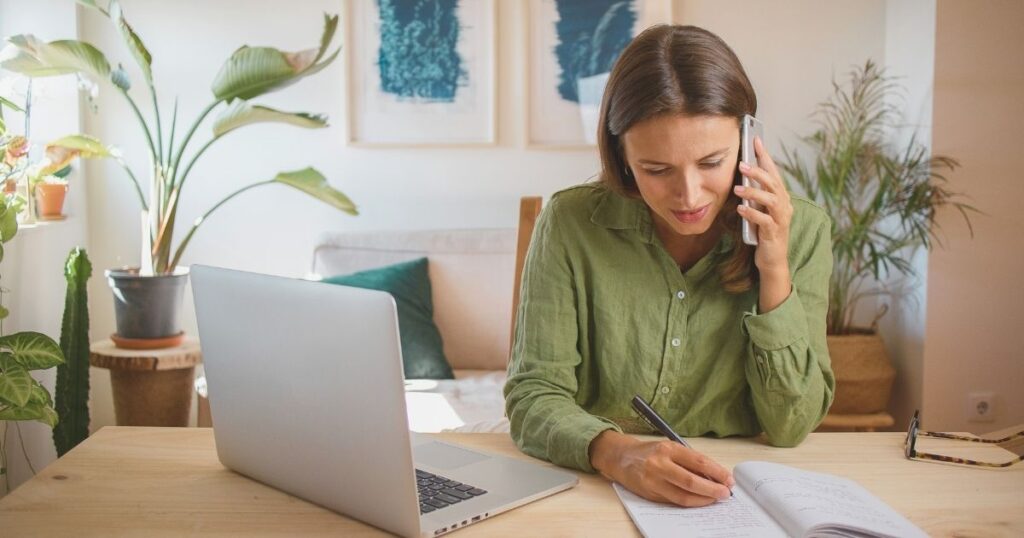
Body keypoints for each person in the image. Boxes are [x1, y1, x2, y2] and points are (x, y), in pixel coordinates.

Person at [503, 24, 835, 508]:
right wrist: (618, 454)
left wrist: (775, 268)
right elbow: (534, 396)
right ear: (622, 156)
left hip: (742, 499)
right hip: (595, 491)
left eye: (712, 162)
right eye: (657, 170)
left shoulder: (803, 230)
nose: (689, 196)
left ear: (747, 143)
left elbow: (790, 426)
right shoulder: (572, 222)